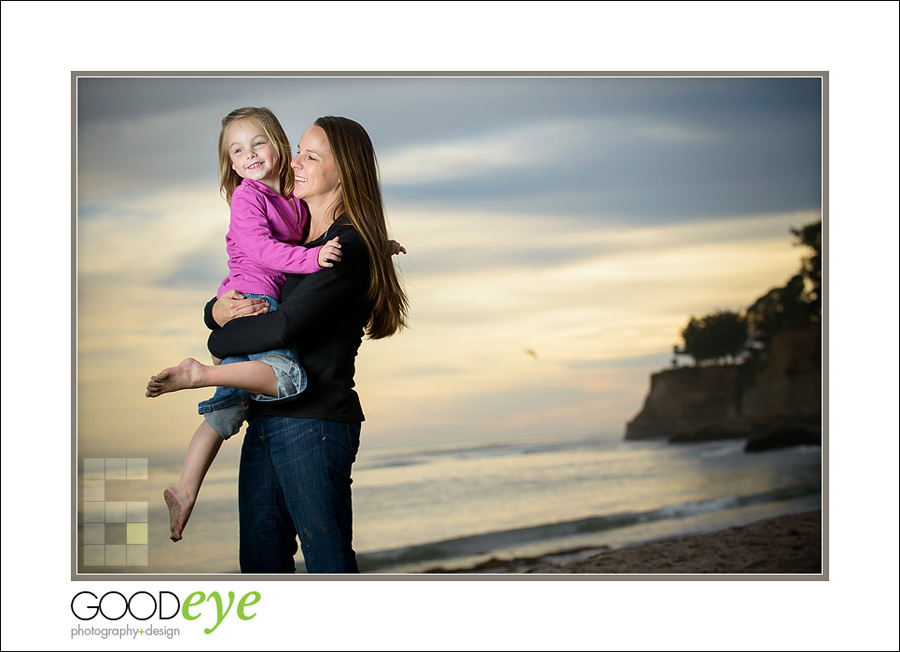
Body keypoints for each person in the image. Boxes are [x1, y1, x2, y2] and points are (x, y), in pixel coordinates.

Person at [149, 116, 408, 573]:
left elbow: (281, 327)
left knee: (328, 565)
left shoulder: (344, 244)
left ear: (344, 170)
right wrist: (214, 311)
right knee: (262, 566)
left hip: (315, 422)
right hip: (265, 417)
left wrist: (216, 334)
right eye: (298, 151)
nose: (296, 162)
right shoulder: (302, 233)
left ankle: (200, 377)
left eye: (311, 155)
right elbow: (254, 287)